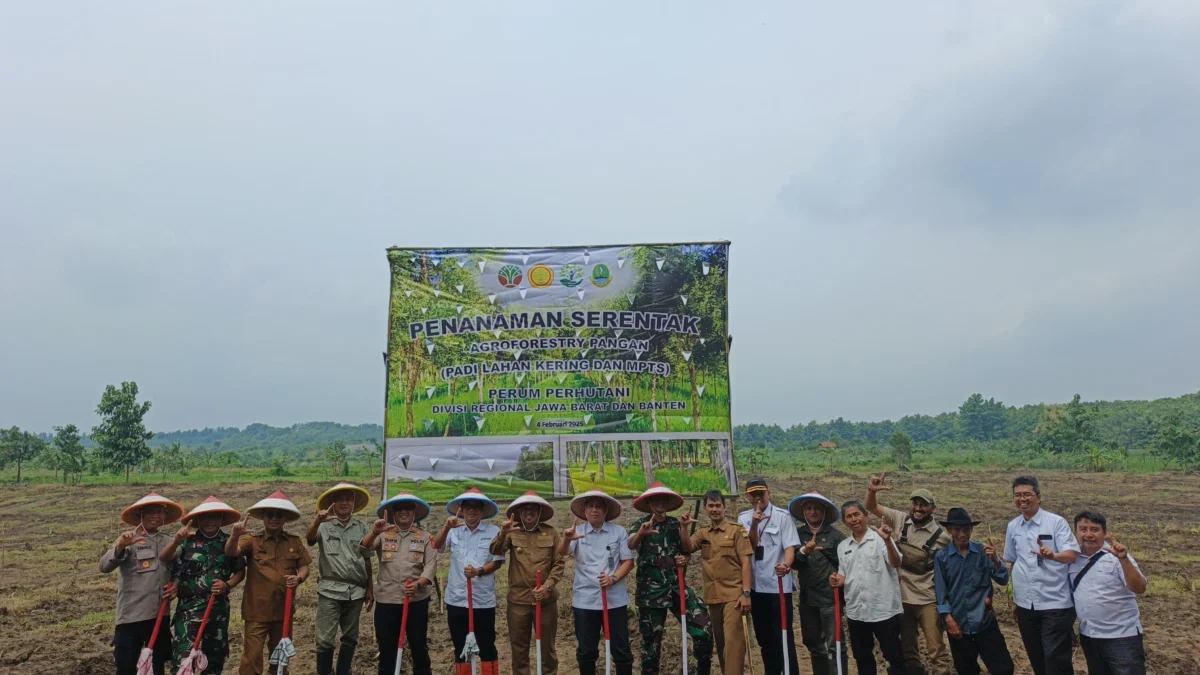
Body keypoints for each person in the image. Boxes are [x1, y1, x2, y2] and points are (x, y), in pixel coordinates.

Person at [865, 473, 953, 675]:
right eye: (915, 504)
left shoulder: (942, 537)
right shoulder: (900, 519)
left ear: (933, 508)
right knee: (908, 650)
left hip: (927, 599)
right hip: (901, 599)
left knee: (935, 649)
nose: (918, 509)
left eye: (924, 505)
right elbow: (871, 507)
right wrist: (871, 491)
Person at [628, 483, 714, 675]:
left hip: (677, 588)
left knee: (704, 630)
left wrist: (685, 548)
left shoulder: (675, 524)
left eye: (663, 499)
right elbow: (631, 544)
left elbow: (686, 550)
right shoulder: (640, 524)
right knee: (651, 644)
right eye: (656, 499)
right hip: (651, 593)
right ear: (649, 502)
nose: (660, 502)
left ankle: (702, 670)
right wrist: (642, 532)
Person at [226, 490, 312, 675]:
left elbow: (304, 567)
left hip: (283, 610)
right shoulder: (252, 540)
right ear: (263, 517)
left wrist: (298, 579)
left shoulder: (294, 542)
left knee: (280, 658)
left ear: (285, 518)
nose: (274, 518)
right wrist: (234, 535)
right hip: (256, 610)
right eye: (270, 515)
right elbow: (233, 552)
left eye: (278, 515)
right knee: (251, 658)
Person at [160, 496, 246, 675]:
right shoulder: (187, 541)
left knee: (214, 660)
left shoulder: (229, 542)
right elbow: (166, 557)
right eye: (205, 517)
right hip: (189, 610)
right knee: (183, 658)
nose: (210, 521)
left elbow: (240, 571)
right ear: (198, 520)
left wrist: (227, 585)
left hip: (218, 611)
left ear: (222, 519)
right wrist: (176, 540)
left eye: (215, 517)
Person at [1003, 476, 1079, 675]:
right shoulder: (1013, 526)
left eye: (1027, 494)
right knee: (1036, 656)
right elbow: (1013, 561)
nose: (1022, 499)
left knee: (1056, 659)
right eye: (1018, 495)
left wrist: (1053, 555)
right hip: (1026, 604)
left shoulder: (1056, 523)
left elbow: (1071, 555)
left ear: (1038, 497)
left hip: (1054, 602)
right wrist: (1014, 598)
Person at [100, 492, 183, 675]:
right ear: (140, 515)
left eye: (159, 512)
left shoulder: (169, 542)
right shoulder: (128, 540)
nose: (155, 516)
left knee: (157, 666)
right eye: (150, 512)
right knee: (127, 667)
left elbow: (178, 568)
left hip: (159, 616)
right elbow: (104, 566)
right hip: (131, 617)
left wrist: (176, 584)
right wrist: (120, 546)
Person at [557, 489, 636, 675]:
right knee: (586, 650)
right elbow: (562, 552)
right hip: (585, 600)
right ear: (584, 511)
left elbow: (628, 562)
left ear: (606, 510)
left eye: (599, 506)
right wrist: (566, 538)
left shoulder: (618, 532)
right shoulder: (577, 532)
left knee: (621, 650)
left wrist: (613, 578)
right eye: (590, 506)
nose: (594, 510)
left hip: (614, 600)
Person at [490, 491, 566, 675]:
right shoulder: (511, 532)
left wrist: (547, 586)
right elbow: (495, 550)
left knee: (547, 649)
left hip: (546, 601)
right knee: (519, 650)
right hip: (518, 602)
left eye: (533, 509)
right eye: (525, 509)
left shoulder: (551, 532)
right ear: (519, 512)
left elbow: (559, 563)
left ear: (540, 511)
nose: (529, 512)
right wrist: (502, 533)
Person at [361, 492, 438, 675]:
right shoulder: (383, 534)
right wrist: (374, 531)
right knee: (387, 648)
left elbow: (431, 565)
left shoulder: (426, 537)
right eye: (399, 509)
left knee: (419, 644)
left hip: (416, 601)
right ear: (393, 512)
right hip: (387, 600)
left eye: (408, 508)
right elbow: (364, 548)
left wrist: (419, 584)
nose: (404, 512)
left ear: (414, 512)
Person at [932, 508, 1014, 675]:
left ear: (971, 530)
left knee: (1003, 668)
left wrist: (996, 561)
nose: (962, 534)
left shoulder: (983, 552)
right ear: (949, 530)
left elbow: (1003, 579)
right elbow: (941, 592)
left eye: (966, 529)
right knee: (966, 669)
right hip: (959, 624)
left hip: (984, 621)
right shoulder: (942, 557)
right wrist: (948, 619)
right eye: (957, 529)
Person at [434, 488, 507, 675]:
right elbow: (438, 547)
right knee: (460, 647)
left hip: (482, 600)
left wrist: (479, 571)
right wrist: (446, 527)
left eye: (476, 507)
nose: (471, 510)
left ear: (482, 510)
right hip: (457, 598)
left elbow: (497, 561)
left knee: (486, 645)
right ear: (461, 509)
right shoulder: (454, 530)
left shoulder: (494, 531)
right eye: (468, 507)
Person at [681, 489, 753, 675]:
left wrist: (746, 594)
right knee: (721, 645)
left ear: (724, 507)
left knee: (733, 644)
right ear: (705, 508)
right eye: (711, 506)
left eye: (718, 505)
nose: (715, 509)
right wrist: (684, 527)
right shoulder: (703, 533)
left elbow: (746, 562)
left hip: (734, 597)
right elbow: (687, 546)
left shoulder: (736, 530)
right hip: (713, 597)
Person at [830, 499, 906, 675]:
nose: (854, 519)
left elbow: (896, 563)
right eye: (849, 516)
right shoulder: (843, 547)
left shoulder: (881, 539)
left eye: (857, 514)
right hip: (857, 612)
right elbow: (843, 576)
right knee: (862, 657)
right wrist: (835, 580)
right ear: (844, 522)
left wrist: (888, 541)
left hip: (884, 610)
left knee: (894, 657)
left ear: (866, 515)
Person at [306, 482, 374, 675]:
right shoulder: (324, 526)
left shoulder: (361, 527)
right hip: (329, 590)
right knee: (325, 639)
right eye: (340, 499)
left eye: (348, 499)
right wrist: (317, 521)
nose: (344, 503)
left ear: (353, 503)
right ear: (333, 503)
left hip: (356, 591)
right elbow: (309, 539)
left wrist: (370, 588)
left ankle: (343, 672)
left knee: (351, 637)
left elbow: (367, 559)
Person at [1070, 511, 1147, 675]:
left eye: (1095, 529)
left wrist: (1124, 559)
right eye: (1083, 529)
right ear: (1076, 532)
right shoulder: (1072, 558)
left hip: (1121, 637)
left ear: (1104, 533)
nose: (1089, 534)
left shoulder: (1116, 557)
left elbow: (1139, 588)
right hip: (1089, 635)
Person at [736, 478, 801, 675]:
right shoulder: (743, 519)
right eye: (753, 494)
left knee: (783, 637)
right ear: (747, 496)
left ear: (768, 494)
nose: (757, 498)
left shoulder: (783, 516)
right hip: (756, 587)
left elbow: (789, 546)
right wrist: (754, 524)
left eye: (761, 494)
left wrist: (787, 565)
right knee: (765, 639)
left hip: (778, 586)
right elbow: (750, 548)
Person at [788, 492, 847, 675]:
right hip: (808, 599)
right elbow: (793, 564)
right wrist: (804, 551)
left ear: (824, 511)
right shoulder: (797, 535)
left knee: (835, 644)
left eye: (816, 508)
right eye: (808, 508)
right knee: (814, 644)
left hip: (831, 599)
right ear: (804, 511)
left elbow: (846, 565)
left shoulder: (836, 537)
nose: (812, 512)